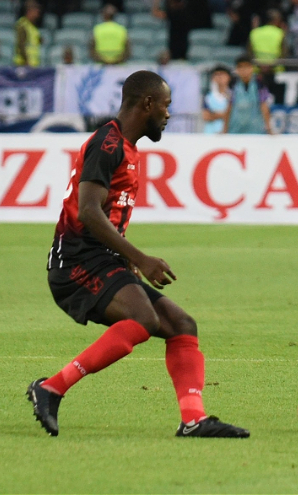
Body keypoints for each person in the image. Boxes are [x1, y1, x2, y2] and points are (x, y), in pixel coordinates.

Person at [28, 71, 249, 438]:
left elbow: (106, 212)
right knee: (143, 319)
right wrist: (142, 259)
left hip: (102, 259)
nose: (168, 114)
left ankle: (193, 420)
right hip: (76, 263)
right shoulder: (108, 144)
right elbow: (88, 211)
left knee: (182, 324)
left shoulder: (126, 146)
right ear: (147, 104)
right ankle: (51, 388)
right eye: (165, 105)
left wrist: (125, 257)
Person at [223, 55, 274, 135]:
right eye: (240, 67)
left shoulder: (259, 84)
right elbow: (229, 107)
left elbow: (264, 106)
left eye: (246, 67)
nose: (244, 70)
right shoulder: (233, 84)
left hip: (255, 129)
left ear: (252, 68)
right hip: (235, 128)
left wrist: (269, 128)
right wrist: (224, 129)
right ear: (237, 69)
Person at [202, 65, 232, 135]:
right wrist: (225, 115)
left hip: (229, 134)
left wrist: (214, 114)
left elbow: (234, 116)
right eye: (216, 75)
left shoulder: (234, 95)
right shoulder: (208, 97)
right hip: (210, 134)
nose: (219, 77)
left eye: (222, 74)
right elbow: (206, 116)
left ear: (229, 77)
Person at [13, 0, 42, 67]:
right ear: (29, 11)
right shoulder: (23, 25)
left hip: (33, 64)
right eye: (36, 10)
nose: (38, 13)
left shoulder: (32, 26)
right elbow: (21, 44)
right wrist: (26, 61)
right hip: (24, 64)